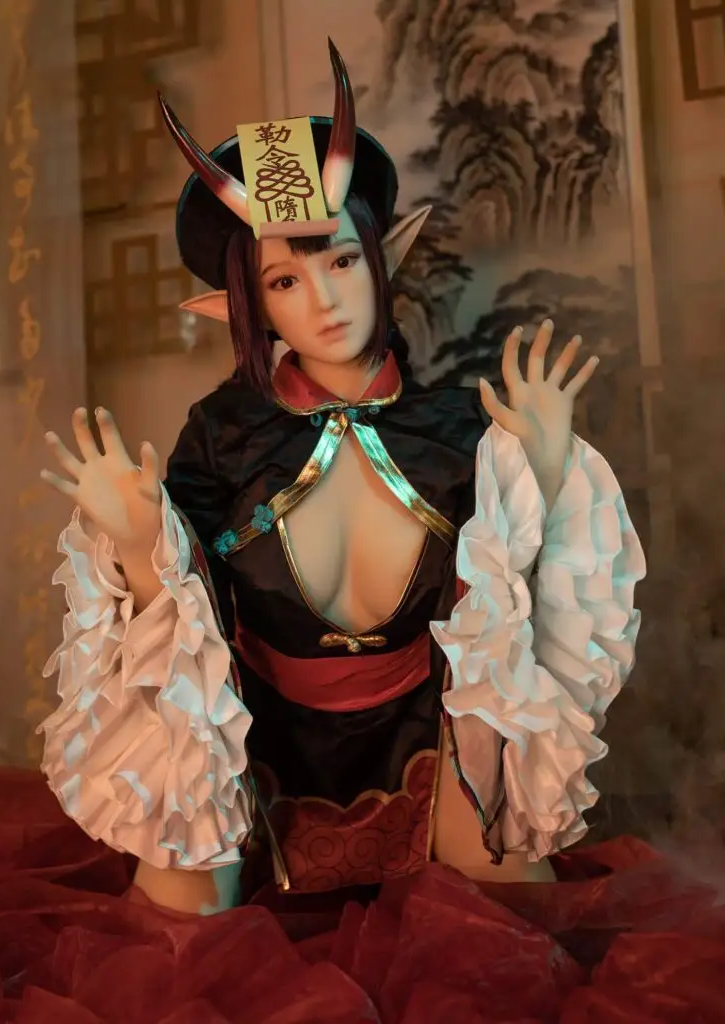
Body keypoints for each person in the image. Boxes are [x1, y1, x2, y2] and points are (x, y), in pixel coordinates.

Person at [37, 40, 644, 919]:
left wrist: (546, 477)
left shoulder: (461, 431)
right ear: (252, 306)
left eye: (343, 260)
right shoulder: (223, 436)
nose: (323, 300)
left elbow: (530, 627)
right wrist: (136, 547)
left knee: (517, 919)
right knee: (179, 910)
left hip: (431, 744)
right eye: (286, 278)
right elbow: (184, 633)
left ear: (380, 259)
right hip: (255, 751)